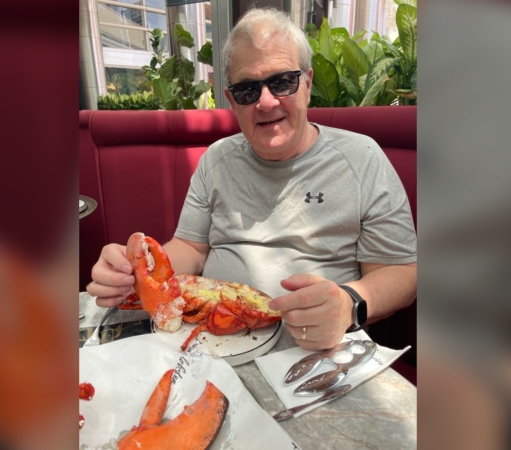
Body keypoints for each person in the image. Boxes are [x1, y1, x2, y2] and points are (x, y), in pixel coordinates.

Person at [87, 8, 417, 351]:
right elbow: (190, 248)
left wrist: (350, 303)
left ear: (307, 82)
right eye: (247, 90)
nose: (266, 101)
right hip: (207, 341)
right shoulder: (216, 159)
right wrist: (138, 274)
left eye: (282, 81)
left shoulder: (361, 158)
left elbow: (403, 273)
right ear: (231, 99)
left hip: (313, 351)